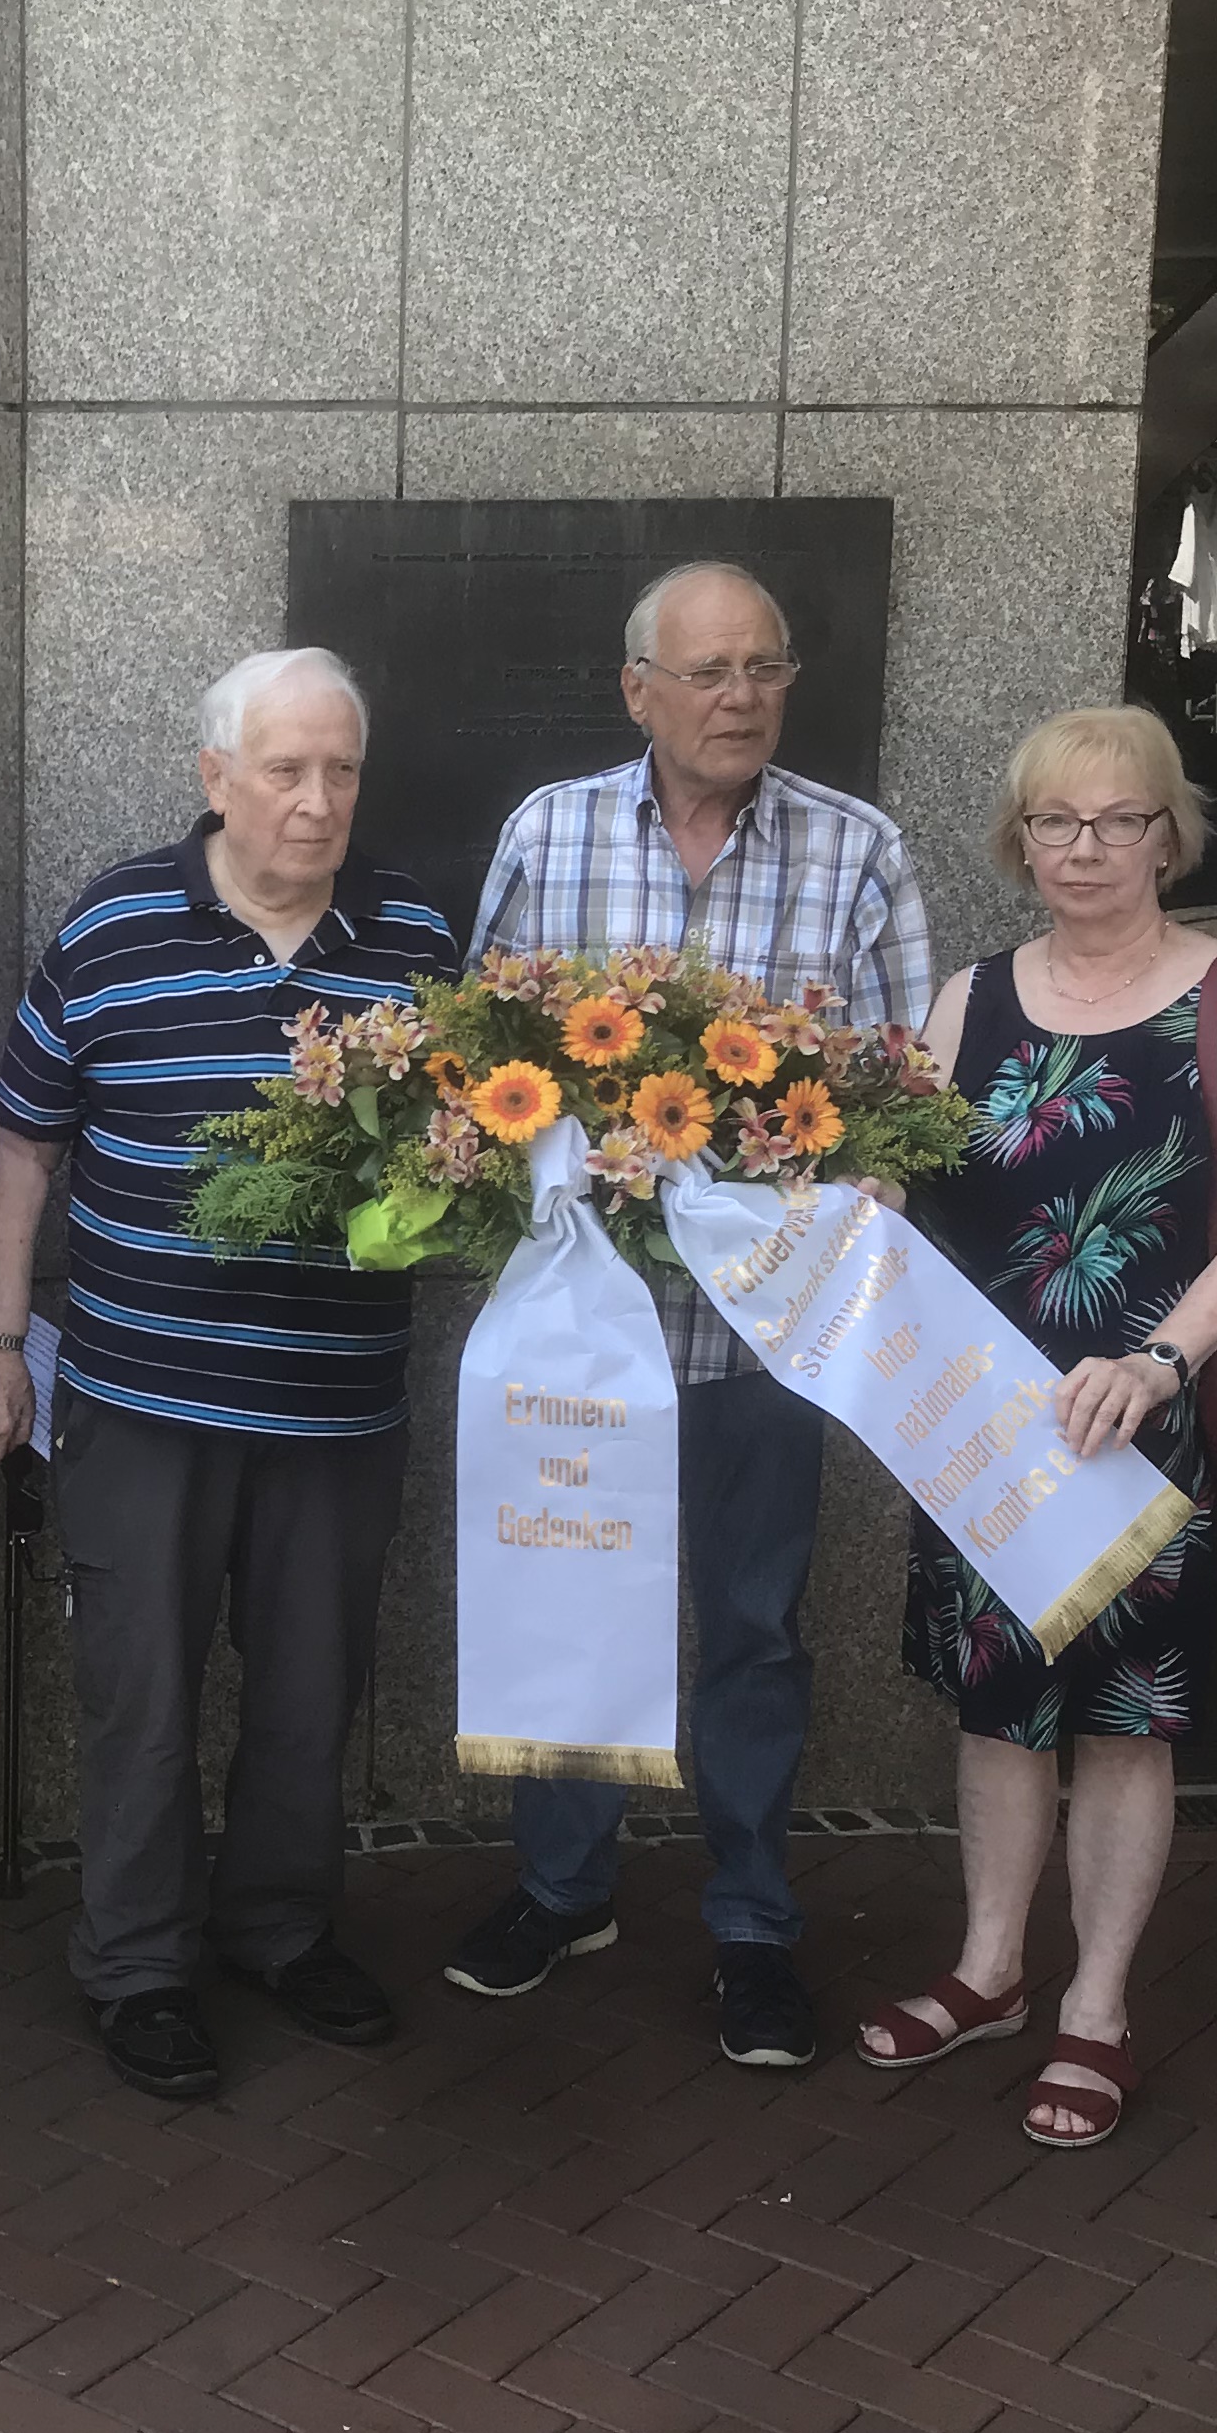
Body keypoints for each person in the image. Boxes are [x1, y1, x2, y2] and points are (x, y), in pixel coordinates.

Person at [446, 561, 934, 2069]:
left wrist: (842, 1171)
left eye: (763, 669)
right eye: (707, 671)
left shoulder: (858, 850)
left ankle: (753, 1923)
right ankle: (563, 1889)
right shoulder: (551, 831)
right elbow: (478, 1054)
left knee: (754, 1633)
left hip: (762, 1346)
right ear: (638, 690)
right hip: (585, 1337)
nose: (738, 698)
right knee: (567, 1605)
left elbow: (902, 1092)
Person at [0, 650, 454, 2098]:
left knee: (311, 1692)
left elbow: (470, 1143)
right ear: (215, 777)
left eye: (341, 771)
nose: (317, 801)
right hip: (140, 1406)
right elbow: (22, 1154)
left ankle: (281, 1931)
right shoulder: (111, 926)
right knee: (142, 1695)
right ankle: (139, 1966)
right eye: (286, 770)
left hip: (338, 1407)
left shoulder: (414, 935)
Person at [854, 706, 1217, 2146]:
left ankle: (1096, 2006)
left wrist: (1160, 1362)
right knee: (998, 1708)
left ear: (1168, 836)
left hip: (1141, 1421)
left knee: (1122, 1721)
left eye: (1119, 821)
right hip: (982, 1423)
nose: (1086, 848)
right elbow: (903, 1185)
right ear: (1021, 839)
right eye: (1057, 821)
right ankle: (990, 1969)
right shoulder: (968, 1000)